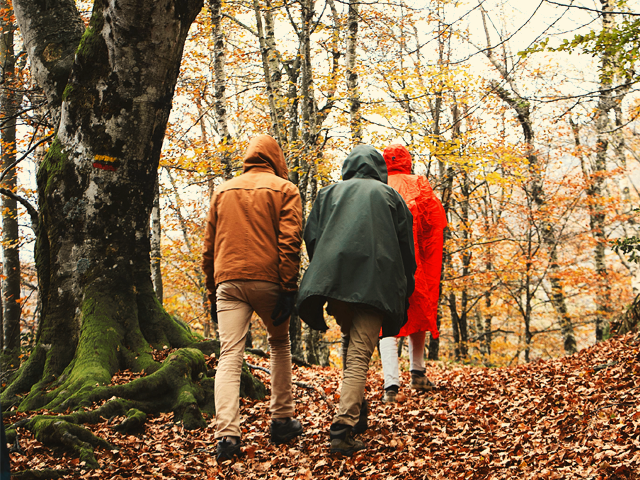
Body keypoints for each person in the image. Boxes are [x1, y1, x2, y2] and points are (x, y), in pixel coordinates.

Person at [296, 145, 416, 456]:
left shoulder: (328, 194)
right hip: (376, 284)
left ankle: (358, 411)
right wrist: (406, 285)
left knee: (352, 343)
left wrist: (326, 271)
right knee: (360, 353)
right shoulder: (390, 197)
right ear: (379, 169)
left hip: (336, 284)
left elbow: (312, 237)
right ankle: (342, 427)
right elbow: (406, 247)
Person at [202, 134, 304, 461]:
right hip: (270, 280)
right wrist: (288, 288)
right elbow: (290, 242)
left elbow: (208, 248)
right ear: (276, 159)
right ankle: (282, 420)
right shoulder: (285, 189)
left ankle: (227, 437)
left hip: (228, 282)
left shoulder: (223, 191)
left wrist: (211, 292)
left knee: (229, 355)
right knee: (280, 343)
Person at [378, 144, 447, 403]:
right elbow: (434, 222)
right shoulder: (419, 184)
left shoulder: (378, 185)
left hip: (384, 263)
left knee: (386, 318)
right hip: (416, 262)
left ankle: (391, 385)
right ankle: (417, 373)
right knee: (419, 309)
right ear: (407, 161)